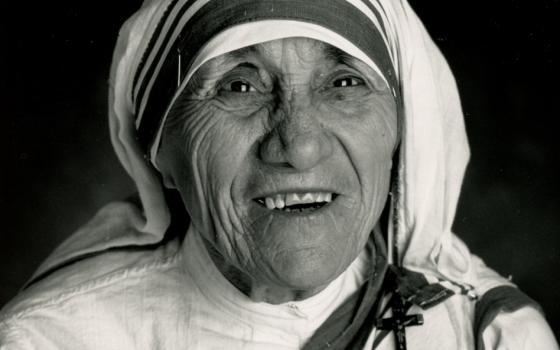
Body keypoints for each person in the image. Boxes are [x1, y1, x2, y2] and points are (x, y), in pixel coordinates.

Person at [0, 0, 557, 348]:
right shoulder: (49, 339)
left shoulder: (488, 335)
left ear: (400, 130)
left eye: (343, 84)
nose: (299, 144)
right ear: (159, 151)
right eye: (238, 86)